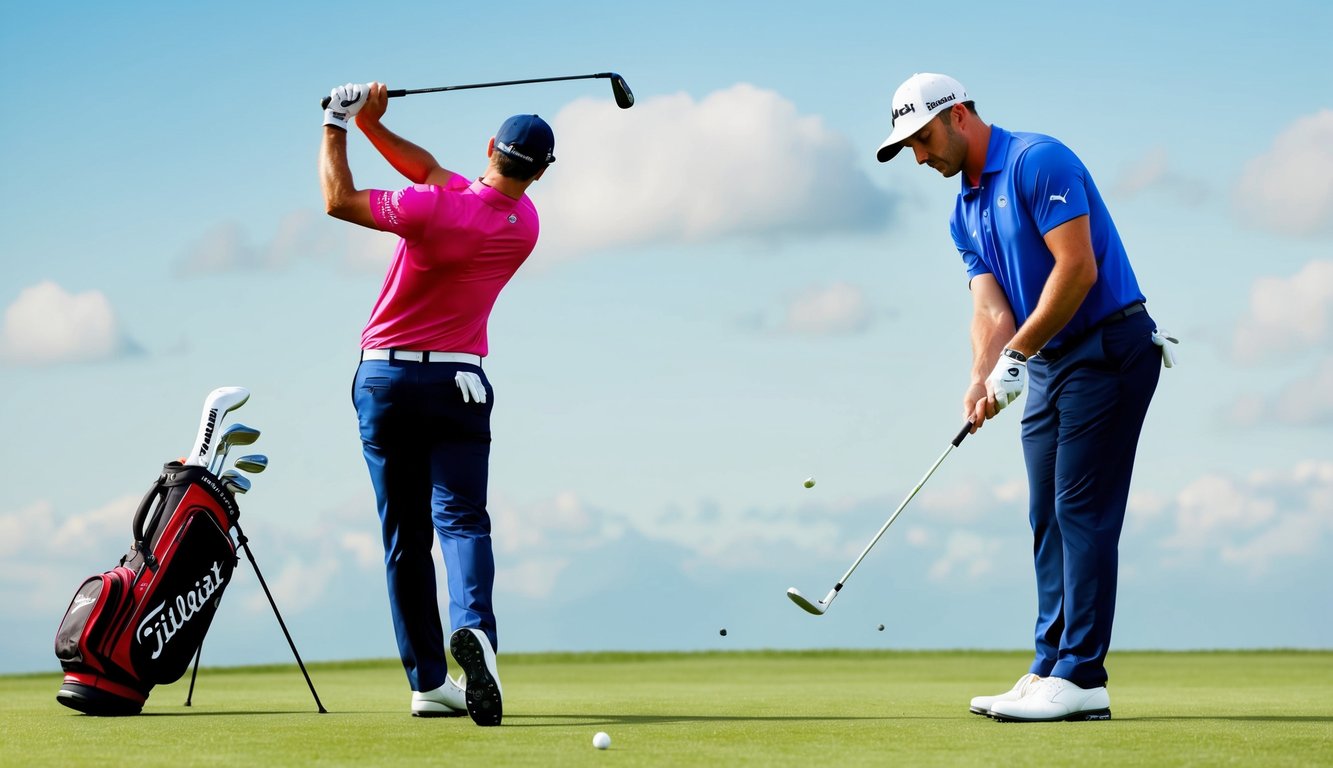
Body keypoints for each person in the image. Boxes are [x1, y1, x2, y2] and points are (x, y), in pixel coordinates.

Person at [876, 73, 1176, 723]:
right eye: (908, 148)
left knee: (1079, 510)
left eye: (922, 139)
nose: (919, 158)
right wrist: (981, 375)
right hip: (1048, 363)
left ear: (957, 116)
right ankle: (1047, 667)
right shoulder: (964, 210)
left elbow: (1076, 269)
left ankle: (1081, 676)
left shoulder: (1036, 161)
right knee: (1044, 513)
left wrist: (1015, 356)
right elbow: (990, 310)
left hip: (1109, 349)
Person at [320, 82, 556, 726]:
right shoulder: (523, 224)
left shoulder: (431, 210)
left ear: (489, 149)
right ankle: (475, 634)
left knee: (405, 537)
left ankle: (427, 681)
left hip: (387, 382)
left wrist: (339, 122)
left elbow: (339, 200)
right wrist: (373, 124)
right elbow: (427, 170)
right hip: (462, 384)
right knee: (463, 522)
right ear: (538, 174)